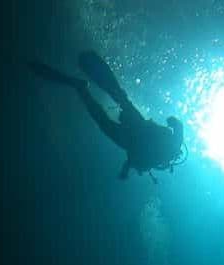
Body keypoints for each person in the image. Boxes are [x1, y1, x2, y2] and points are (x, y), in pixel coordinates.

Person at [28, 51, 186, 182]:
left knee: (116, 102)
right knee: (104, 115)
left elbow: (175, 124)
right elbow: (174, 126)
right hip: (132, 133)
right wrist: (125, 170)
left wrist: (125, 170)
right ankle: (81, 88)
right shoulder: (159, 157)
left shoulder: (167, 149)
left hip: (134, 130)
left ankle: (81, 87)